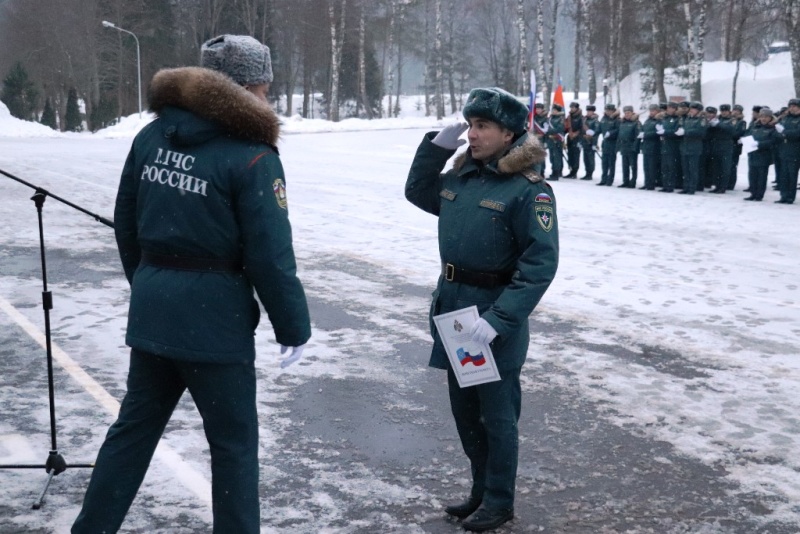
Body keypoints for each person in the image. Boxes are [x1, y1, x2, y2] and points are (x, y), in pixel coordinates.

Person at [71, 35, 312, 534]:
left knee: (132, 433)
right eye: (264, 86)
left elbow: (127, 223)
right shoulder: (251, 155)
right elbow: (269, 255)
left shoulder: (151, 137)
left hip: (156, 309)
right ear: (246, 87)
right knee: (233, 446)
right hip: (214, 321)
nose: (267, 95)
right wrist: (292, 324)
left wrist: (149, 282)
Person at [405, 87, 559, 532]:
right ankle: (480, 489)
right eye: (470, 125)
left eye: (482, 126)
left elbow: (539, 264)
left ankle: (499, 500)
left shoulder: (529, 191)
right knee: (465, 411)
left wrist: (501, 319)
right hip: (455, 313)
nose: (472, 134)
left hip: (491, 317)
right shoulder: (461, 178)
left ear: (508, 133)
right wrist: (434, 150)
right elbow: (417, 192)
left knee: (497, 415)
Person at [744, 107, 779, 201]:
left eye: (766, 117)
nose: (764, 119)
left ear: (770, 118)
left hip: (764, 155)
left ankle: (759, 194)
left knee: (761, 176)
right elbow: (747, 134)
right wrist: (744, 140)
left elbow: (773, 141)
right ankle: (753, 193)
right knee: (752, 175)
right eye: (762, 116)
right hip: (753, 154)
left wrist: (759, 144)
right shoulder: (755, 126)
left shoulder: (773, 128)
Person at [678, 102, 707, 195]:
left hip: (694, 147)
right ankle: (686, 187)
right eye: (691, 109)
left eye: (693, 109)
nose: (691, 111)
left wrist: (686, 132)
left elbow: (700, 131)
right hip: (685, 147)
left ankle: (692, 187)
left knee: (693, 169)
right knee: (685, 169)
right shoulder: (687, 119)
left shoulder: (702, 120)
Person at [705, 105, 736, 194]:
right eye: (722, 111)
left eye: (725, 111)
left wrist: (718, 124)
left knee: (725, 168)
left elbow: (732, 130)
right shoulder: (718, 119)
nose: (723, 112)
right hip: (716, 145)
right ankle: (717, 186)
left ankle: (723, 187)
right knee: (716, 168)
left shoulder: (731, 120)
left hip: (726, 145)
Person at [775, 98, 800, 204]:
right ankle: (783, 195)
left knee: (792, 174)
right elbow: (776, 131)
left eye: (794, 106)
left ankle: (790, 196)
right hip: (783, 149)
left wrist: (784, 132)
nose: (792, 108)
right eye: (790, 106)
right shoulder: (785, 118)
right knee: (783, 174)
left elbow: (798, 133)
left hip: (795, 150)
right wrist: (780, 134)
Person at [657, 102, 682, 193]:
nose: (669, 110)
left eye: (672, 108)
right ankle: (665, 185)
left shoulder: (677, 119)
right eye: (668, 108)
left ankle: (671, 185)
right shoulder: (665, 118)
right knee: (664, 167)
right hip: (664, 144)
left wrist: (665, 132)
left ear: (675, 109)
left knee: (671, 167)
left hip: (673, 145)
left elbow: (676, 131)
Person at [616, 105, 642, 188]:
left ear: (632, 113)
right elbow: (620, 135)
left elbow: (637, 136)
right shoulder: (623, 122)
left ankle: (633, 181)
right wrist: (618, 146)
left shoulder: (636, 123)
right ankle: (625, 181)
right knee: (625, 165)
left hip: (631, 146)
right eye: (625, 113)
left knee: (633, 165)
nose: (627, 114)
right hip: (624, 146)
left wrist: (635, 147)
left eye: (628, 113)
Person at [640, 104, 662, 190]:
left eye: (653, 111)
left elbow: (658, 132)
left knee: (652, 166)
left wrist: (646, 134)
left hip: (654, 145)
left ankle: (652, 183)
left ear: (657, 111)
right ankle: (647, 182)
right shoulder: (648, 120)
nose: (652, 112)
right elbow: (643, 128)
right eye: (651, 111)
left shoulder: (659, 120)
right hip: (646, 145)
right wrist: (642, 133)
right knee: (646, 166)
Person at [598, 103, 620, 186]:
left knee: (611, 163)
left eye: (609, 110)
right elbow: (600, 128)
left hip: (612, 143)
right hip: (605, 143)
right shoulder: (604, 118)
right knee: (604, 163)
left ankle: (610, 179)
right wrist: (593, 132)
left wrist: (611, 133)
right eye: (606, 110)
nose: (607, 112)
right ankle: (603, 179)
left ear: (612, 110)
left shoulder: (616, 119)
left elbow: (618, 130)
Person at [547, 103, 566, 179]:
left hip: (557, 140)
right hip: (551, 140)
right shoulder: (551, 118)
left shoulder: (560, 118)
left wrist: (550, 131)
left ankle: (556, 173)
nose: (553, 111)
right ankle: (553, 171)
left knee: (556, 157)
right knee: (552, 157)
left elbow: (560, 128)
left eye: (555, 110)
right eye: (553, 110)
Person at [581, 105, 600, 180]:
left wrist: (594, 143)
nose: (588, 113)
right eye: (587, 111)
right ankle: (587, 172)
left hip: (591, 142)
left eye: (590, 111)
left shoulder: (595, 121)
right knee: (585, 158)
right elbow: (582, 131)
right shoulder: (585, 120)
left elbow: (596, 133)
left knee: (590, 159)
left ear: (593, 112)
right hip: (585, 141)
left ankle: (590, 173)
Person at [564, 101, 583, 178]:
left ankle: (575, 171)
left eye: (573, 107)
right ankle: (571, 170)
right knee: (570, 154)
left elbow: (582, 128)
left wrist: (576, 134)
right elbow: (566, 127)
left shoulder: (581, 117)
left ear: (577, 108)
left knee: (576, 155)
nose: (572, 109)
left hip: (577, 138)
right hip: (570, 137)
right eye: (571, 107)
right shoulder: (569, 117)